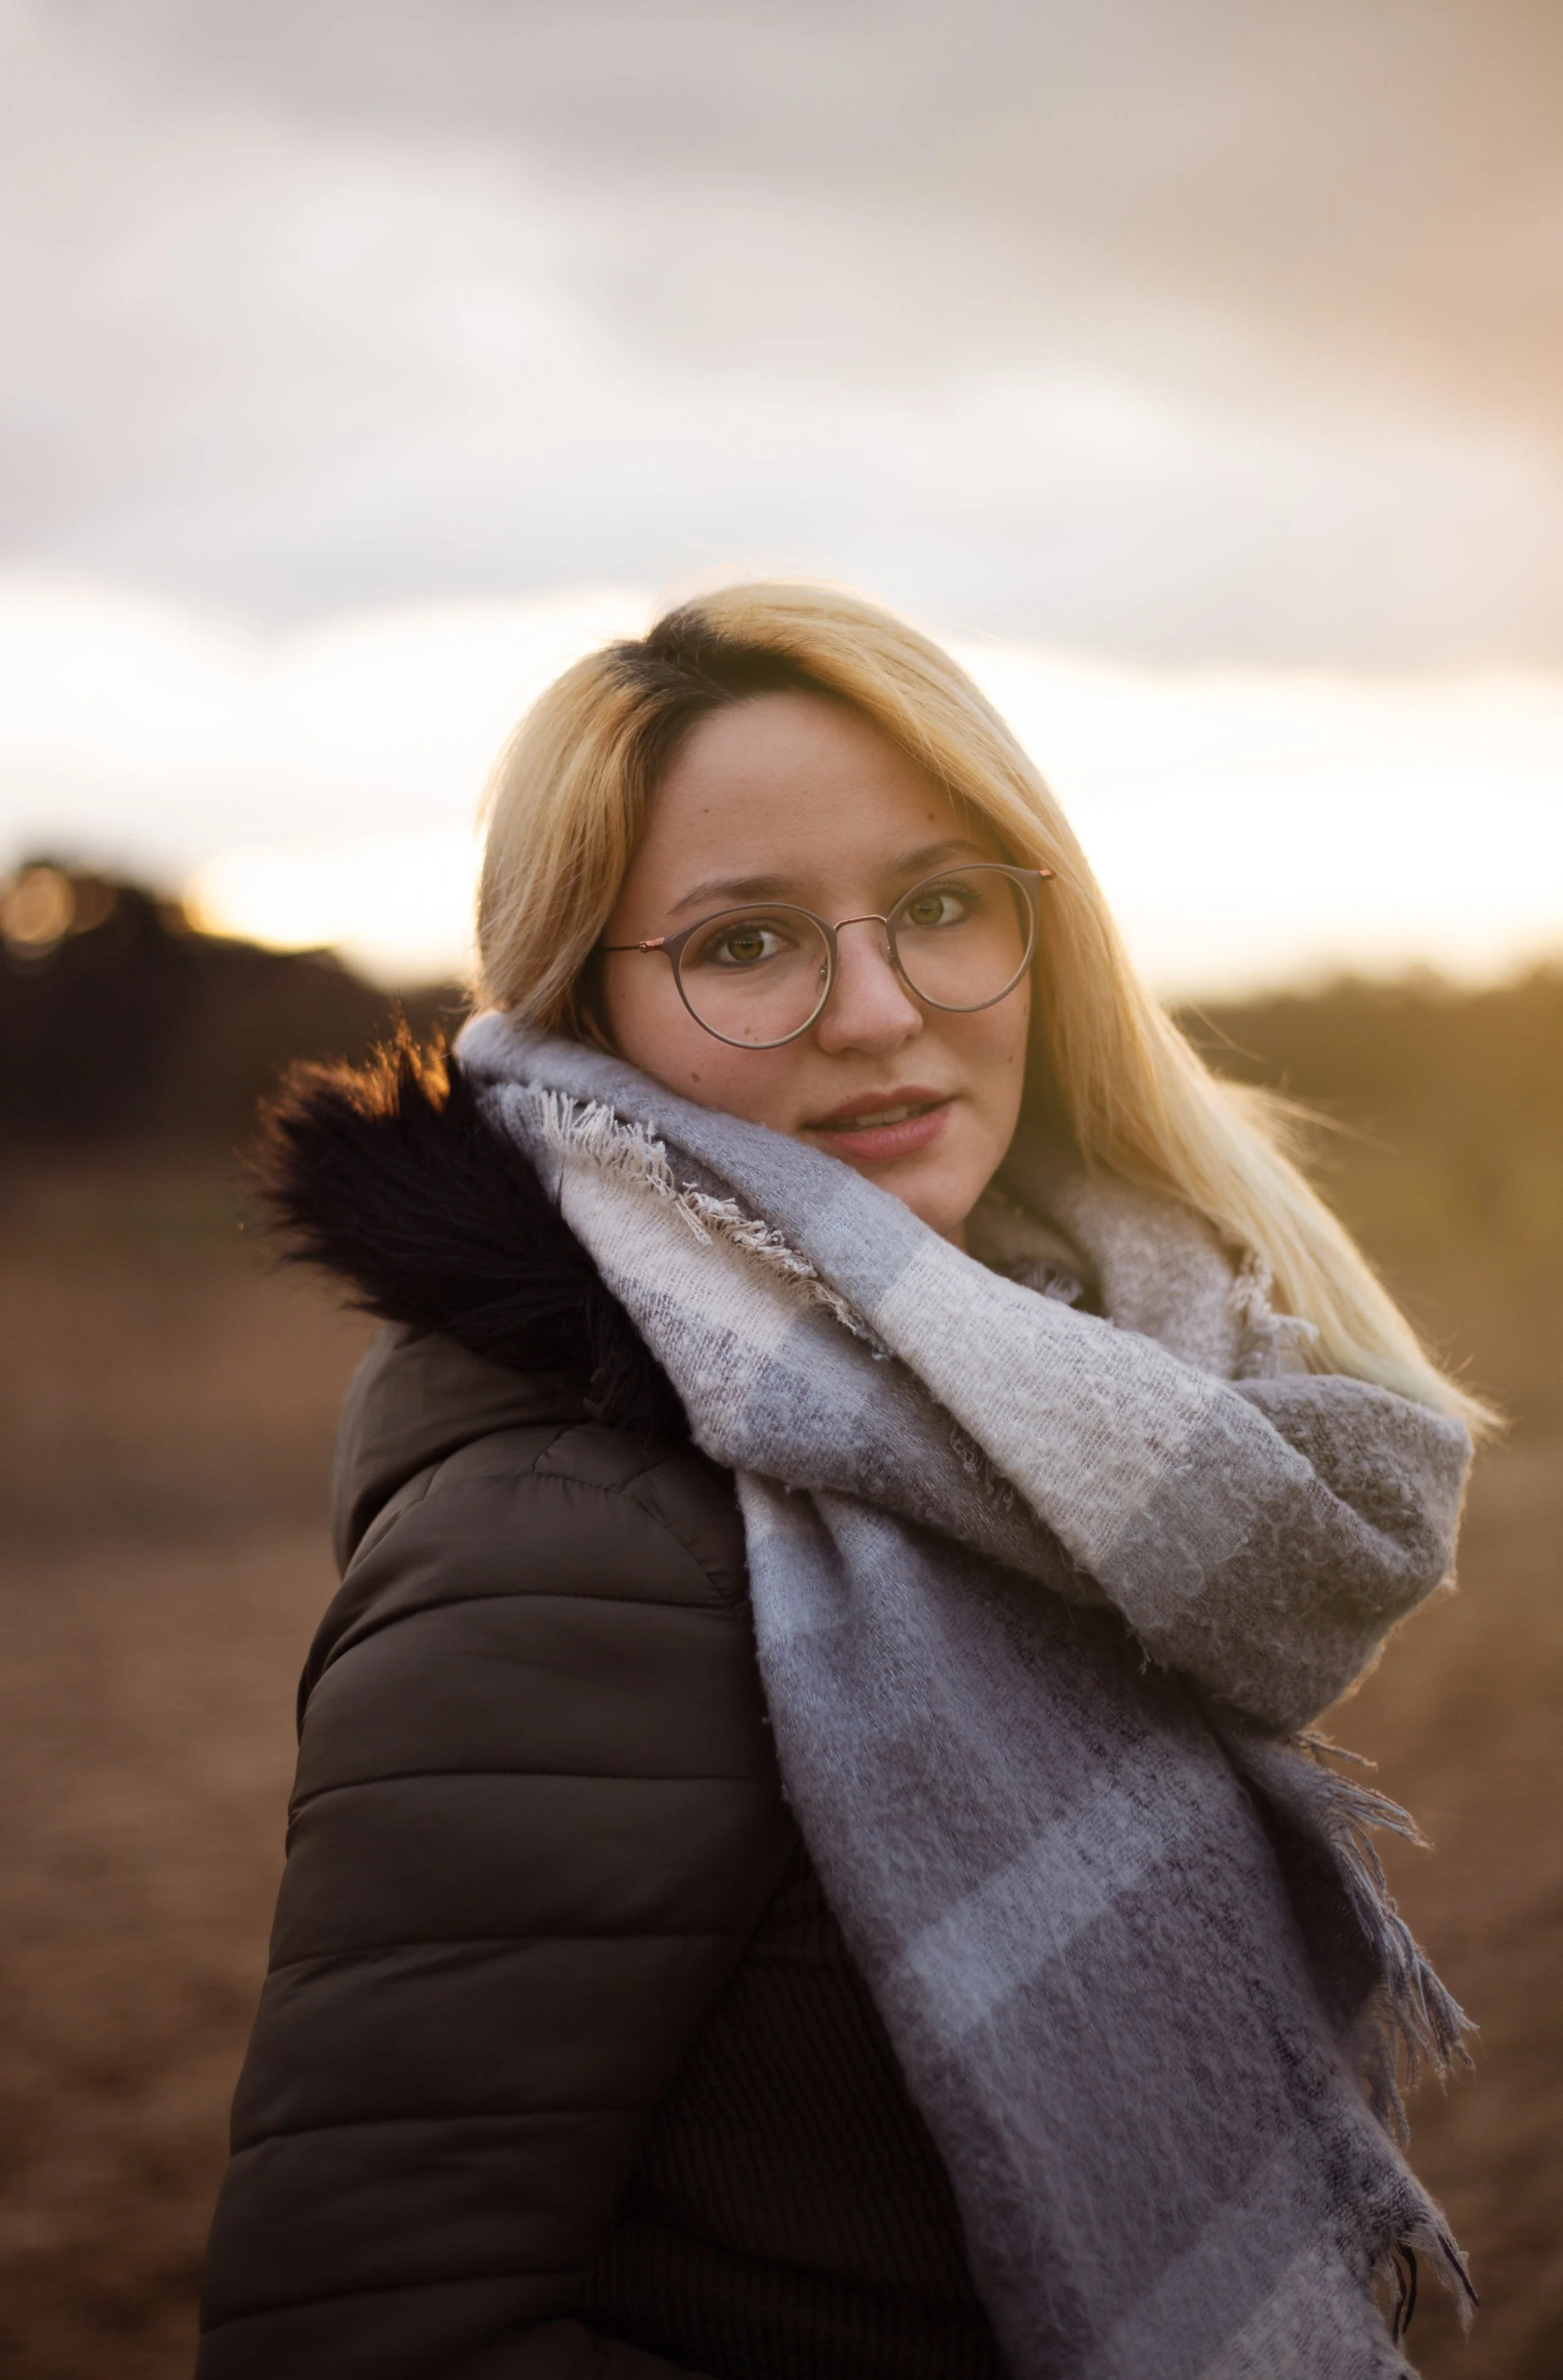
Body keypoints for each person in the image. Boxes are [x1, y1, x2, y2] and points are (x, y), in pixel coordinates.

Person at [197, 584, 1486, 2380]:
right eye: (743, 944)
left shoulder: (1068, 1392)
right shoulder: (567, 1540)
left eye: (942, 906)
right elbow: (363, 2332)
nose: (878, 1010)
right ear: (579, 1010)